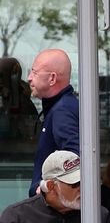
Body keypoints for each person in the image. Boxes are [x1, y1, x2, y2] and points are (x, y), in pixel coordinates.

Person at [26, 49, 79, 196]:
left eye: (35, 73)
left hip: (54, 211)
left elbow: (74, 161)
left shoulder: (62, 111)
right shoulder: (61, 106)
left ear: (52, 79)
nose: (29, 78)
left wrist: (42, 188)